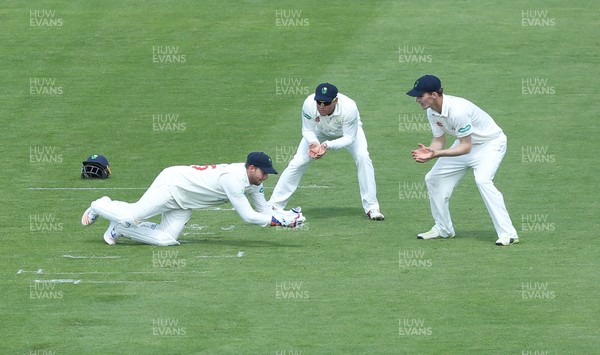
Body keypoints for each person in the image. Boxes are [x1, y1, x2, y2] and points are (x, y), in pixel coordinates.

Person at [81, 152, 305, 246]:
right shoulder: (233, 180)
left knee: (166, 239)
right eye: (263, 172)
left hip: (185, 203)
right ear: (252, 168)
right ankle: (99, 205)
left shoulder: (254, 183)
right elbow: (248, 217)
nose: (266, 177)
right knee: (132, 215)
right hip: (171, 186)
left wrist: (287, 217)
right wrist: (277, 223)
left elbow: (264, 211)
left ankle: (119, 229)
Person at [406, 75, 519, 246]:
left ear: (434, 94)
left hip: (490, 144)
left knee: (483, 180)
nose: (417, 100)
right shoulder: (432, 111)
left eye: (420, 95)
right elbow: (439, 140)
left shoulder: (457, 110)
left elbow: (466, 147)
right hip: (465, 144)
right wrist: (430, 151)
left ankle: (508, 234)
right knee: (433, 178)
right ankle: (443, 229)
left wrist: (436, 154)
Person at [268, 83, 384, 220]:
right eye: (319, 102)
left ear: (335, 100)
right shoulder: (308, 104)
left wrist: (325, 146)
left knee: (363, 157)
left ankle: (372, 208)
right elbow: (307, 130)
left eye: (326, 103)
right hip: (318, 131)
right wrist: (314, 143)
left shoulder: (349, 108)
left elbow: (349, 138)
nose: (322, 106)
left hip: (347, 131)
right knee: (298, 162)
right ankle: (274, 205)